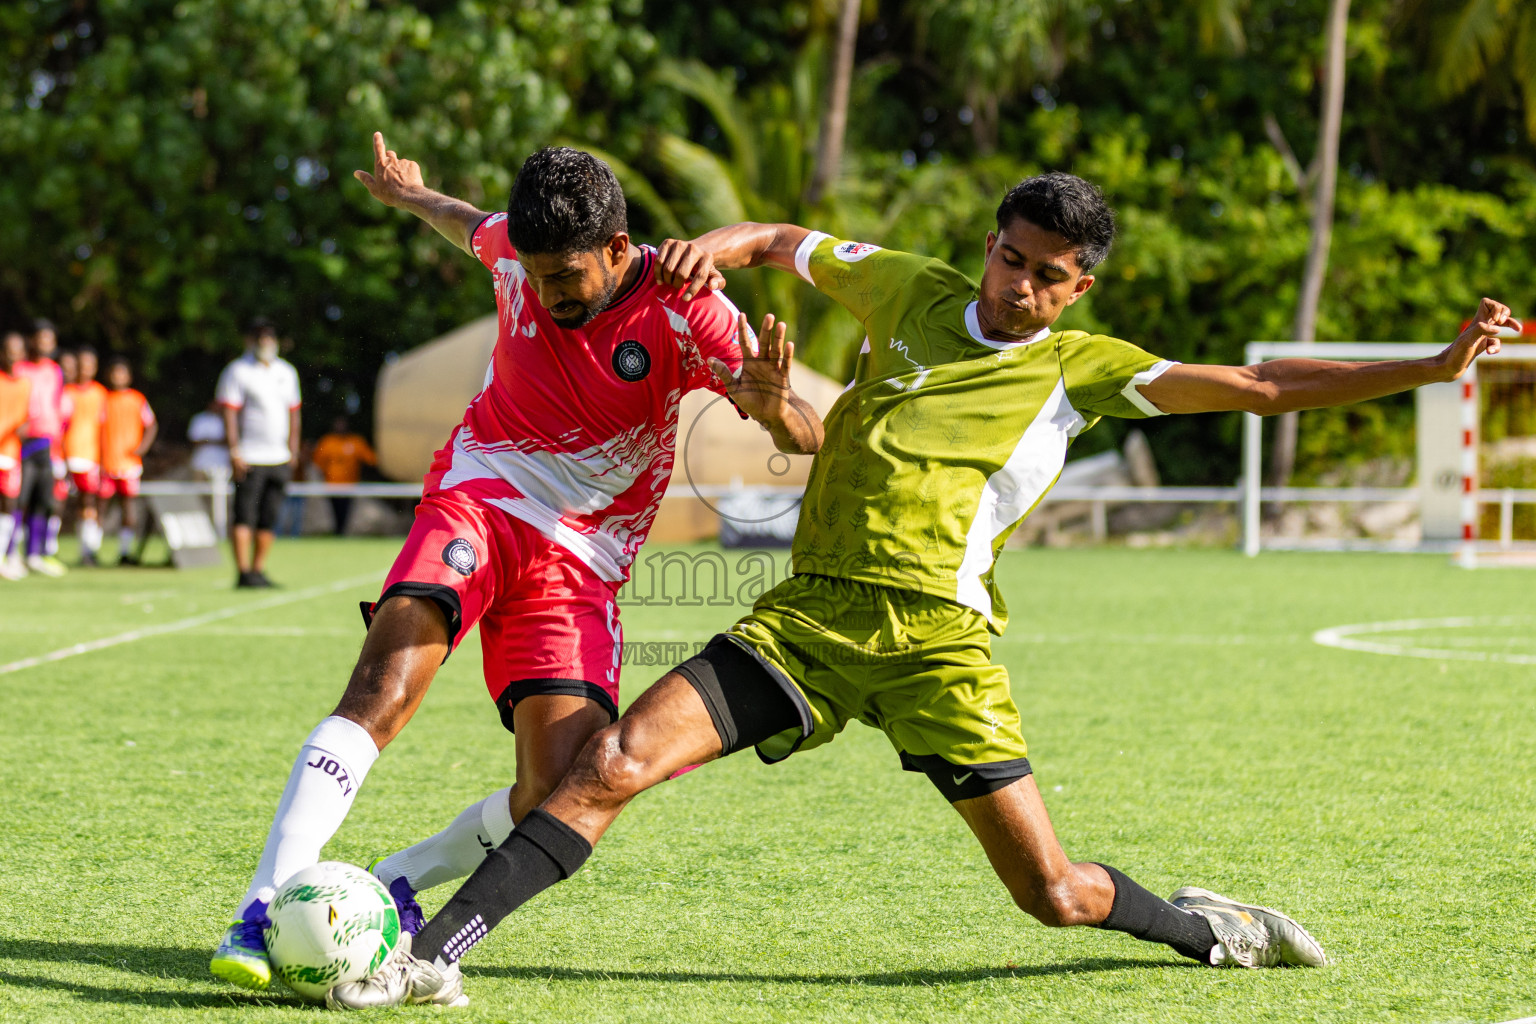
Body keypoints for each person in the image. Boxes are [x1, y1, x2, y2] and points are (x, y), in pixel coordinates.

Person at [330, 173, 1520, 1009]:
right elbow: (783, 238)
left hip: (938, 648)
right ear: (990, 244)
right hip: (808, 620)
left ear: (1078, 292)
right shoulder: (909, 289)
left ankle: (1210, 927)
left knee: (1053, 892)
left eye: (1048, 277)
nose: (1019, 286)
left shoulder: (1084, 370)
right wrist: (712, 251)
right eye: (1011, 258)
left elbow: (1259, 386)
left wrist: (1433, 365)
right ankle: (432, 955)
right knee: (609, 763)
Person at [208, 135, 823, 994]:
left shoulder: (689, 308)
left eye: (564, 278)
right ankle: (261, 905)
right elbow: (467, 222)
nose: (546, 294)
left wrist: (775, 408)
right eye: (534, 276)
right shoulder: (517, 251)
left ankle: (400, 881)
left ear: (618, 248)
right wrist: (410, 195)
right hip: (481, 495)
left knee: (555, 789)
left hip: (583, 561)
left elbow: (806, 433)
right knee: (381, 691)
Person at [217, 318, 301, 588]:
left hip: (278, 457)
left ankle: (258, 570)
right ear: (250, 341)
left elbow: (294, 412)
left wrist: (293, 449)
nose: (265, 342)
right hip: (250, 456)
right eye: (260, 337)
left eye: (269, 337)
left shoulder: (286, 372)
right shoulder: (238, 370)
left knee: (269, 517)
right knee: (244, 515)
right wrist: (234, 450)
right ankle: (243, 572)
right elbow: (230, 413)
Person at [12, 319, 67, 577]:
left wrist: (58, 443)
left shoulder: (54, 371)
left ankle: (34, 554)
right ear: (32, 340)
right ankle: (10, 552)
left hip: (47, 443)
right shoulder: (19, 368)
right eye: (41, 338)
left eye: (50, 339)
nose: (46, 343)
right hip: (22, 443)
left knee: (43, 501)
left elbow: (56, 407)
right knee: (18, 500)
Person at [98, 357, 157, 565]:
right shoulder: (103, 399)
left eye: (121, 373)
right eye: (114, 373)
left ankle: (125, 551)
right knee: (100, 506)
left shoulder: (137, 399)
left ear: (129, 377)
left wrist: (143, 447)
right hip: (106, 464)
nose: (118, 377)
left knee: (128, 507)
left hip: (129, 464)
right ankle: (91, 550)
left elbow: (151, 424)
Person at [61, 346, 107, 565]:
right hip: (66, 456)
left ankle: (87, 550)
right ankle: (46, 548)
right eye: (81, 364)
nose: (85, 369)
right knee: (58, 503)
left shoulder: (100, 393)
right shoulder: (66, 392)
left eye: (90, 365)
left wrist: (104, 457)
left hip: (90, 457)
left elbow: (104, 428)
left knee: (88, 503)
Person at [0, 332, 33, 581]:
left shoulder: (25, 384)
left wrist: (24, 427)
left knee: (8, 504)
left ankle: (3, 556)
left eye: (17, 350)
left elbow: (26, 416)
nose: (13, 355)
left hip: (10, 453)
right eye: (9, 350)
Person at [311, 416, 377, 535]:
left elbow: (371, 459)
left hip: (350, 485)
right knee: (335, 510)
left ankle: (341, 532)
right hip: (331, 485)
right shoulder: (327, 442)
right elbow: (318, 463)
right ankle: (337, 531)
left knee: (345, 510)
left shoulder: (356, 441)